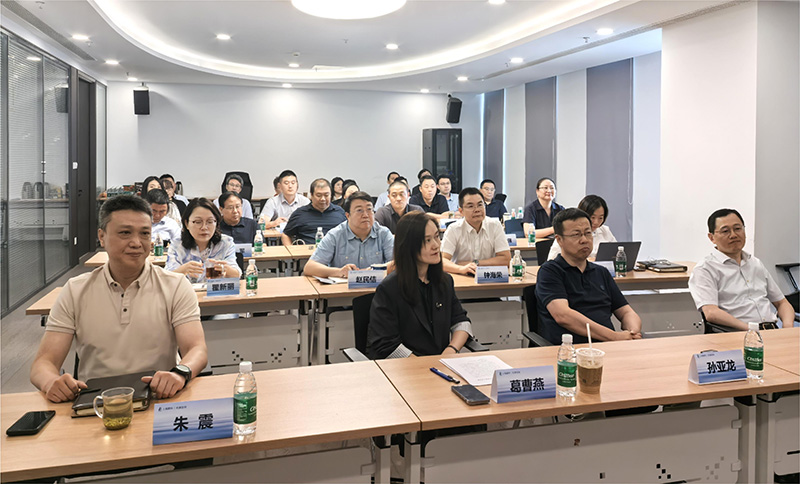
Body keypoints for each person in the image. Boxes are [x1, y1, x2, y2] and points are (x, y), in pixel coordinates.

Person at [30, 195, 208, 402]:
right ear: (102, 236)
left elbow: (196, 349)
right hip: (97, 404)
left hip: (160, 399)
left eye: (144, 233)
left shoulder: (175, 286)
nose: (136, 243)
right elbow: (44, 363)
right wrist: (51, 382)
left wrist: (180, 373)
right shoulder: (75, 290)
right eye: (125, 233)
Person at [367, 212, 473, 359]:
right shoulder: (389, 288)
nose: (436, 245)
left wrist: (451, 350)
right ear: (409, 245)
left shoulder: (444, 281)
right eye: (427, 240)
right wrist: (422, 365)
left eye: (437, 237)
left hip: (439, 363)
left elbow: (461, 321)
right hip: (404, 367)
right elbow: (386, 344)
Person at [535, 208, 642, 344]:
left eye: (588, 233)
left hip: (608, 347)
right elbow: (563, 316)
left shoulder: (601, 272)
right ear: (559, 240)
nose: (584, 240)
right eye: (576, 235)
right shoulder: (550, 271)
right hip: (569, 349)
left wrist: (633, 332)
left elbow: (626, 312)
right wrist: (614, 337)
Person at [689, 209, 794, 330]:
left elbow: (782, 303)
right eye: (725, 231)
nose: (733, 235)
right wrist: (751, 329)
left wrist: (788, 327)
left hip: (770, 330)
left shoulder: (755, 263)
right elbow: (711, 313)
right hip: (736, 332)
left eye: (738, 229)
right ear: (712, 237)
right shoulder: (705, 269)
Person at [303, 191, 394, 278]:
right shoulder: (335, 235)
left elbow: (398, 263)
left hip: (375, 287)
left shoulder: (383, 233)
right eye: (359, 210)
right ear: (348, 216)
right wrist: (339, 272)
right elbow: (310, 268)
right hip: (342, 287)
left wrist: (377, 270)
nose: (366, 215)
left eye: (369, 209)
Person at [166, 198, 241, 281]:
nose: (204, 227)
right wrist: (183, 270)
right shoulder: (177, 244)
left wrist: (226, 270)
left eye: (210, 222)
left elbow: (237, 275)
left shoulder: (225, 243)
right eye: (198, 222)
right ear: (187, 223)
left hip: (215, 289)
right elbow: (166, 278)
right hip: (185, 289)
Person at [441, 187, 511, 276]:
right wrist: (461, 268)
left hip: (489, 278)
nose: (477, 209)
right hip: (462, 277)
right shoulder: (454, 229)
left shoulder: (495, 225)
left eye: (480, 205)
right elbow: (442, 261)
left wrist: (474, 263)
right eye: (470, 206)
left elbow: (506, 259)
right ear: (461, 211)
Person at [548, 195, 616, 261]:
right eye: (592, 217)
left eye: (600, 218)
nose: (596, 222)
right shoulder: (568, 231)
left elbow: (616, 252)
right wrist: (586, 262)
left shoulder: (605, 230)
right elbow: (552, 260)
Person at [281, 178, 346, 245]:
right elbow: (286, 235)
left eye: (326, 195)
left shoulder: (340, 212)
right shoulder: (300, 213)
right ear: (311, 195)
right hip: (307, 250)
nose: (323, 199)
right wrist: (291, 250)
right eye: (318, 195)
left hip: (334, 250)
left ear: (331, 195)